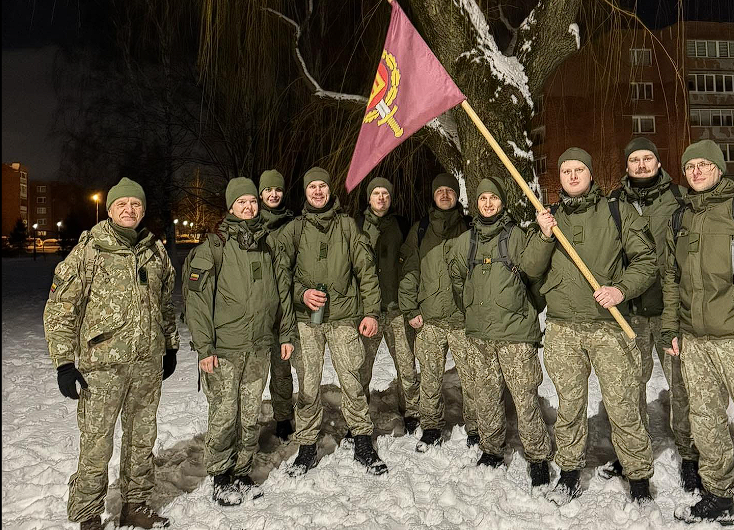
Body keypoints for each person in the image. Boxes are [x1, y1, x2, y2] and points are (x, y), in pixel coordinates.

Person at [44, 177, 179, 530]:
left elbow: (165, 303)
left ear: (143, 210)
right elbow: (60, 308)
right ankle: (88, 515)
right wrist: (64, 362)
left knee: (142, 439)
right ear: (110, 210)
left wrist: (169, 345)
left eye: (136, 204)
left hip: (146, 364)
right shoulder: (89, 251)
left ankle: (135, 505)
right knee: (96, 445)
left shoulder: (155, 250)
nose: (129, 210)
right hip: (102, 368)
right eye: (122, 204)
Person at [526, 148, 657, 505]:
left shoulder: (617, 211)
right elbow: (530, 268)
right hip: (563, 328)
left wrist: (621, 289)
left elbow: (647, 260)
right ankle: (569, 473)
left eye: (578, 170)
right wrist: (544, 235)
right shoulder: (549, 217)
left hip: (608, 328)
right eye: (565, 171)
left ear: (590, 173)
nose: (572, 176)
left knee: (623, 406)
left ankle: (639, 480)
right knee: (569, 406)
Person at [185, 177, 296, 506]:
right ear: (231, 206)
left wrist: (285, 333)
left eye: (252, 202)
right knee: (224, 414)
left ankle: (243, 470)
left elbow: (282, 293)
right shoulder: (214, 246)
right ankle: (221, 475)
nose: (248, 207)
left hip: (259, 346)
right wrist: (205, 348)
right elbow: (197, 303)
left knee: (249, 414)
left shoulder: (268, 244)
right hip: (225, 349)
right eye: (241, 202)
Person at [600, 138, 700, 490]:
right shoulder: (613, 203)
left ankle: (690, 454)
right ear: (626, 165)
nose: (641, 165)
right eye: (634, 160)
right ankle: (633, 452)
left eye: (647, 158)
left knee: (682, 385)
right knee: (630, 387)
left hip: (671, 311)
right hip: (630, 313)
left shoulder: (680, 198)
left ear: (658, 163)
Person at [276, 167, 388, 476]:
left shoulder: (348, 226)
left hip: (343, 318)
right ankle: (307, 446)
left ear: (330, 190)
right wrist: (302, 294)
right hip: (306, 321)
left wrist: (370, 312)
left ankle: (362, 440)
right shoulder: (294, 230)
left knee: (352, 380)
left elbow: (366, 270)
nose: (317, 191)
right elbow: (280, 276)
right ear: (305, 192)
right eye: (312, 186)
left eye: (322, 186)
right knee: (308, 385)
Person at [446, 178, 554, 485]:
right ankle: (491, 450)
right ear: (475, 203)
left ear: (502, 203)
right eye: (483, 199)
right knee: (486, 396)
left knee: (525, 397)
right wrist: (471, 308)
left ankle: (537, 456)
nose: (488, 203)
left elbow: (534, 271)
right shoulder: (466, 241)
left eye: (493, 198)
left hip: (515, 336)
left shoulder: (516, 236)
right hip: (480, 336)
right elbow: (457, 279)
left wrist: (545, 236)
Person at [661, 140, 734, 525]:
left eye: (705, 164)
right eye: (690, 166)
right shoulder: (680, 217)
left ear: (719, 168)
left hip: (731, 336)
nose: (697, 171)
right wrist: (671, 328)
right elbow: (672, 279)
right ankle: (721, 493)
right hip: (694, 338)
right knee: (706, 420)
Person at [399, 173, 477, 452]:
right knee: (430, 378)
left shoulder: (470, 228)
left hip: (463, 319)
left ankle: (475, 427)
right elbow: (409, 271)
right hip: (429, 318)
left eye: (450, 191)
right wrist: (410, 307)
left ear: (457, 195)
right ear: (433, 196)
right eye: (439, 190)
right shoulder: (420, 230)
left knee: (471, 377)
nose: (445, 195)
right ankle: (431, 427)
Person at [356, 177, 420, 435]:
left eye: (385, 193)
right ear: (369, 198)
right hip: (368, 312)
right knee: (361, 367)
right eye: (376, 193)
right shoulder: (357, 226)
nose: (381, 198)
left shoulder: (401, 225)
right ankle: (358, 415)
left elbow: (410, 262)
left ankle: (411, 412)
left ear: (390, 198)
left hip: (396, 310)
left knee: (406, 365)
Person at [259, 169, 297, 441]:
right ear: (261, 194)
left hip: (285, 307)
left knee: (282, 367)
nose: (273, 194)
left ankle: (283, 417)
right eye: (268, 190)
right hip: (259, 306)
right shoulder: (251, 224)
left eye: (278, 190)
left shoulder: (292, 224)